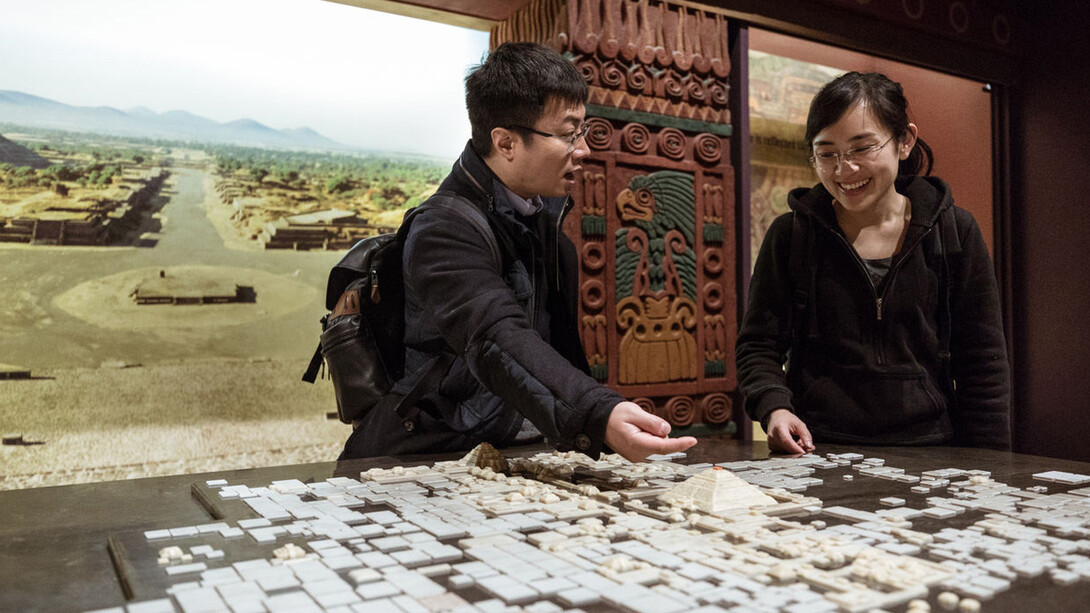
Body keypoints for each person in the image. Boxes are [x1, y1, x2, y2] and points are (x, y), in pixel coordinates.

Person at [341, 42, 696, 462]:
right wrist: (597, 412)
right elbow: (496, 336)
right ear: (506, 143)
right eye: (568, 134)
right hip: (433, 449)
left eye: (582, 131)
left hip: (512, 443)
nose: (583, 150)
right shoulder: (444, 229)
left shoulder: (541, 218)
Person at [736, 71, 1010, 454]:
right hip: (816, 450)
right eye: (826, 154)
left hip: (931, 451)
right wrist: (775, 408)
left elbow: (983, 363)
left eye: (862, 148)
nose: (843, 170)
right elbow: (758, 346)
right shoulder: (791, 235)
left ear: (904, 141)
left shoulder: (954, 231)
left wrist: (989, 469)